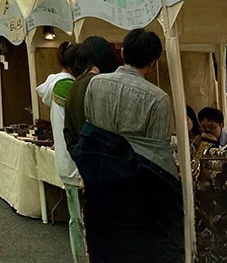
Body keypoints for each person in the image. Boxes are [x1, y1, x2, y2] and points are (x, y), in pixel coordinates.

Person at [76, 28, 183, 262]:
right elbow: (158, 151)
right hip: (135, 184)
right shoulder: (158, 98)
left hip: (100, 177)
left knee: (103, 243)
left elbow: (91, 126)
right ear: (154, 62)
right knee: (137, 248)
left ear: (122, 52)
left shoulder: (96, 84)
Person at [36, 42, 85, 263]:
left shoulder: (55, 84)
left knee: (76, 217)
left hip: (65, 159)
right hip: (74, 160)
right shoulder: (68, 87)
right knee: (79, 219)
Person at [63, 36, 118, 159]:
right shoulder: (100, 84)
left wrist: (82, 161)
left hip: (86, 163)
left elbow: (67, 132)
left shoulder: (74, 85)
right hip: (106, 164)